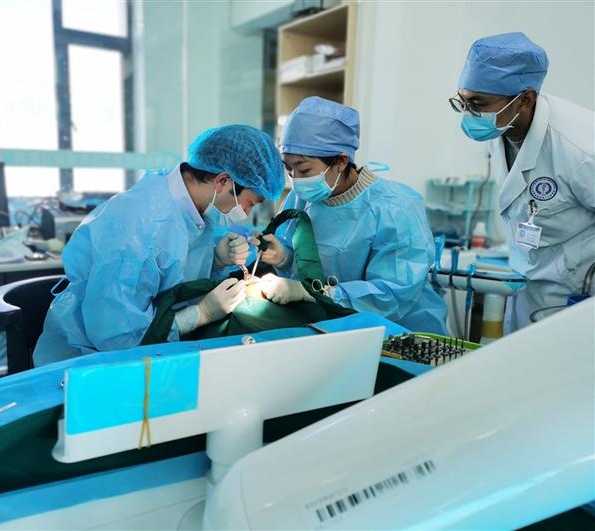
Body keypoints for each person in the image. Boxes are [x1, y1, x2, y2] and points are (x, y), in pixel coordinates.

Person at [33, 125, 284, 366]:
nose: (246, 213)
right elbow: (117, 339)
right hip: (86, 364)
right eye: (250, 203)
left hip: (149, 356)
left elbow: (171, 276)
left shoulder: (189, 207)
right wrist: (199, 314)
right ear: (223, 181)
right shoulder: (140, 228)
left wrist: (215, 260)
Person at [256, 96, 447, 334]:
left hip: (396, 333)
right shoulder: (302, 199)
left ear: (341, 161)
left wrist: (320, 294)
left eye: (303, 169)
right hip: (328, 328)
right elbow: (307, 263)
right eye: (288, 168)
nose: (295, 178)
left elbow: (393, 292)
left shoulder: (395, 208)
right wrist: (284, 257)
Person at [451, 32, 594, 332]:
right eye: (462, 101)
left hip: (577, 296)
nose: (467, 114)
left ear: (525, 100)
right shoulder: (503, 126)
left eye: (477, 104)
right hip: (527, 285)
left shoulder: (580, 148)